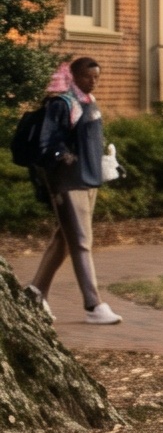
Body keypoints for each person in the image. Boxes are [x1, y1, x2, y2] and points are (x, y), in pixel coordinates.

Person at [30, 56, 117, 324]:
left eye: (97, 77)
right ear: (74, 76)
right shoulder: (62, 103)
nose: (93, 81)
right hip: (68, 182)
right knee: (80, 242)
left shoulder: (88, 102)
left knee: (64, 240)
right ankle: (93, 305)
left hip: (88, 180)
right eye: (87, 77)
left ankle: (34, 294)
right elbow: (46, 141)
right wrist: (62, 155)